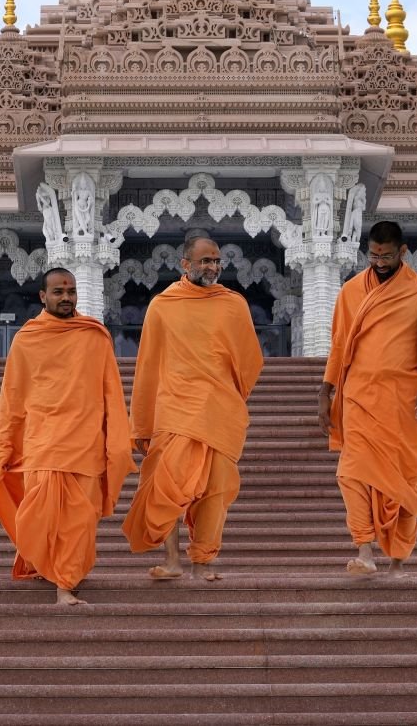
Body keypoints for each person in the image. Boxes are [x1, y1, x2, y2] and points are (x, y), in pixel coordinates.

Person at [319, 220, 417, 576]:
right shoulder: (352, 290)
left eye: (385, 255)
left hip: (406, 400)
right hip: (359, 397)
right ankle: (364, 550)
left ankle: (398, 560)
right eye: (373, 254)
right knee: (351, 472)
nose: (378, 261)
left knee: (405, 482)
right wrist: (325, 390)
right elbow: (339, 345)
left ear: (402, 252)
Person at [122, 231, 264, 581]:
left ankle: (202, 562)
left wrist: (228, 395)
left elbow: (250, 360)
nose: (213, 266)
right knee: (164, 487)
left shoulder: (234, 304)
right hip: (175, 410)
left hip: (219, 410)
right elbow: (148, 364)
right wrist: (141, 424)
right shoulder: (163, 306)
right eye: (205, 260)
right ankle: (172, 560)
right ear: (185, 264)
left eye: (216, 260)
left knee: (216, 491)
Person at [0, 268, 133, 606]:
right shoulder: (27, 339)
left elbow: (111, 392)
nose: (66, 297)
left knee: (78, 520)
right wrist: (4, 446)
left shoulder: (94, 336)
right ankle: (47, 564)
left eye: (70, 291)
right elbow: (12, 398)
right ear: (43, 296)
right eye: (58, 291)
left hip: (84, 443)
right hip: (42, 441)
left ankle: (65, 585)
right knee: (39, 516)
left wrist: (117, 440)